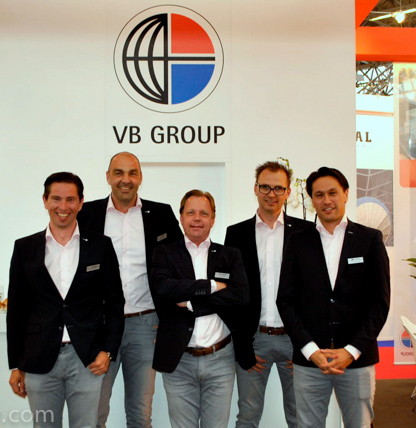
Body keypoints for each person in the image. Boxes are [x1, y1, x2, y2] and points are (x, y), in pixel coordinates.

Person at [7, 172, 125, 428]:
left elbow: (115, 304)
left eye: (71, 199)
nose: (63, 206)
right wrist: (16, 365)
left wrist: (108, 351)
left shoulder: (101, 246)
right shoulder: (25, 248)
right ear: (45, 201)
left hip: (86, 359)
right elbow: (16, 310)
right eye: (56, 199)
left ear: (81, 202)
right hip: (39, 359)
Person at [277, 166, 390, 428]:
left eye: (332, 193)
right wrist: (310, 350)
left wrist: (351, 351)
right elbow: (286, 300)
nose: (326, 200)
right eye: (319, 195)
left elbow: (380, 303)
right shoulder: (297, 241)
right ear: (312, 200)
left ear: (346, 194)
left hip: (357, 361)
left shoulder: (370, 239)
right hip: (310, 361)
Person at [77, 152, 183, 428]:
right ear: (108, 177)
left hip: (145, 326)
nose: (126, 179)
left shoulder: (161, 214)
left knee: (140, 414)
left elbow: (179, 267)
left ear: (140, 178)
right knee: (93, 414)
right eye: (119, 173)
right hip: (99, 327)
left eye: (132, 173)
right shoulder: (86, 214)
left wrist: (170, 319)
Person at [150, 190, 249, 428]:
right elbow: (163, 288)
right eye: (191, 212)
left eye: (204, 213)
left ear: (213, 219)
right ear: (181, 217)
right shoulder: (164, 253)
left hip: (220, 359)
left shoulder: (229, 255)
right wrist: (212, 286)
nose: (197, 218)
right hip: (179, 359)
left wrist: (191, 301)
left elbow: (240, 296)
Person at [225, 160, 313, 428]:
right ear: (255, 189)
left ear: (288, 192)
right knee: (247, 416)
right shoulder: (236, 234)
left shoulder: (307, 232)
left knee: (300, 417)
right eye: (265, 187)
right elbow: (230, 295)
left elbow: (313, 291)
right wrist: (242, 346)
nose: (271, 194)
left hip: (295, 340)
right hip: (254, 340)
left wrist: (307, 343)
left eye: (278, 188)